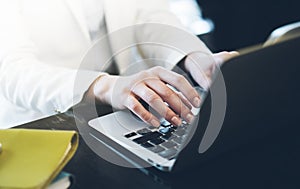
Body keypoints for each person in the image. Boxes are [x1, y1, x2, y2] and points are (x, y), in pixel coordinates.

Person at [0, 0, 236, 129]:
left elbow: (150, 14)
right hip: (42, 122)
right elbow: (12, 70)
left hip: (123, 110)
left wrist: (193, 56)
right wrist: (104, 86)